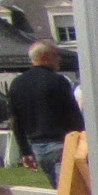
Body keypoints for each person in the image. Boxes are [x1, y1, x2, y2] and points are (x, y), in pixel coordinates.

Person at [7, 40, 86, 186]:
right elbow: (72, 113)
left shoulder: (17, 83)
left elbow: (15, 120)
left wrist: (24, 150)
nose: (59, 59)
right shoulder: (58, 81)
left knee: (59, 189)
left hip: (37, 147)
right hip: (61, 144)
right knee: (70, 189)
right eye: (56, 55)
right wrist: (83, 138)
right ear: (45, 56)